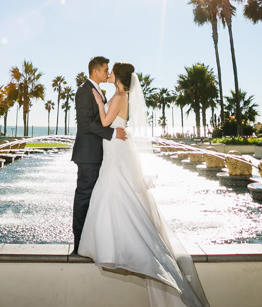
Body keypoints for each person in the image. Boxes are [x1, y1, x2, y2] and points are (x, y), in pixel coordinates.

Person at [78, 62, 209, 307]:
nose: (110, 73)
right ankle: (111, 241)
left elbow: (106, 122)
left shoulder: (118, 95)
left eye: (112, 70)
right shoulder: (120, 94)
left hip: (116, 149)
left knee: (115, 188)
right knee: (118, 189)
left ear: (118, 76)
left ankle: (114, 245)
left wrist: (98, 101)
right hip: (116, 146)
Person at [72, 56, 127, 255]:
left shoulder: (99, 92)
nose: (107, 73)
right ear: (95, 71)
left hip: (101, 154)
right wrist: (112, 133)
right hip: (88, 155)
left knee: (96, 199)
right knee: (84, 197)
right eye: (105, 69)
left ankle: (92, 242)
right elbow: (86, 122)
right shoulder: (84, 91)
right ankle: (79, 244)